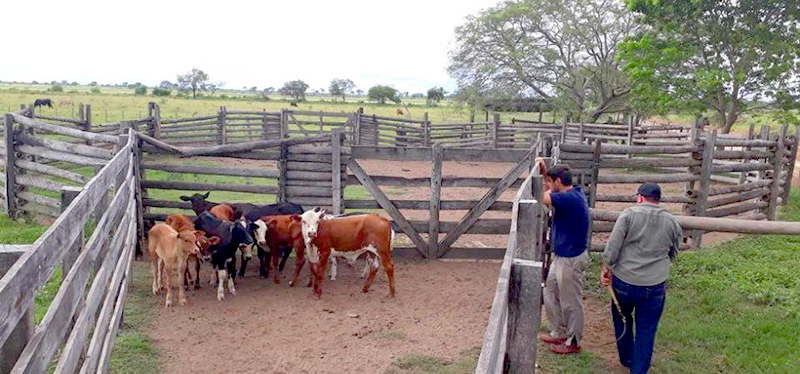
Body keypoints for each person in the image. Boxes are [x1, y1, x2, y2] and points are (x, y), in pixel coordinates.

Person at [600, 182, 682, 374]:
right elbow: (674, 252)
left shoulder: (628, 215)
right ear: (657, 199)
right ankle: (639, 369)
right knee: (646, 330)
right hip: (654, 284)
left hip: (624, 280)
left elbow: (613, 247)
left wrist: (606, 268)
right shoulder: (671, 221)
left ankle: (626, 357)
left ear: (640, 197)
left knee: (622, 318)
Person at [535, 160, 591, 354]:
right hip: (563, 254)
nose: (548, 185)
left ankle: (573, 340)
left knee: (570, 301)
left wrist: (541, 181)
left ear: (558, 181)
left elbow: (541, 197)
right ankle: (560, 330)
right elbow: (550, 193)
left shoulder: (569, 199)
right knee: (550, 291)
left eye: (550, 182)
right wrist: (544, 173)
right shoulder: (572, 193)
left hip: (570, 258)